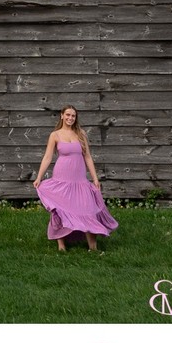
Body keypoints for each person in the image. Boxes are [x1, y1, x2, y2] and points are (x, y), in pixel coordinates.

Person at [32, 105, 118, 252]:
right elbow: (47, 157)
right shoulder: (55, 135)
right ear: (62, 116)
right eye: (68, 115)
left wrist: (95, 178)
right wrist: (39, 177)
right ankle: (61, 245)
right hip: (61, 179)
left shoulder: (81, 134)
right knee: (60, 210)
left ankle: (93, 247)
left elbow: (88, 157)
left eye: (73, 116)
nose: (70, 118)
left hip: (80, 180)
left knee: (88, 210)